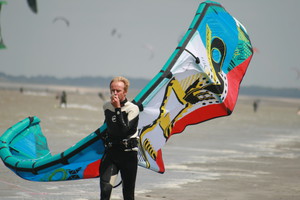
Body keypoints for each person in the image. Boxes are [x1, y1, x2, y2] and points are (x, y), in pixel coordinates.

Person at [100, 76, 140, 200]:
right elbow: (107, 127)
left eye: (118, 91)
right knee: (105, 191)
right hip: (112, 153)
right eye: (112, 90)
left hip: (128, 155)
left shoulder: (133, 108)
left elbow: (124, 131)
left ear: (125, 92)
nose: (115, 93)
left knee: (128, 194)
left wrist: (118, 108)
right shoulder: (107, 106)